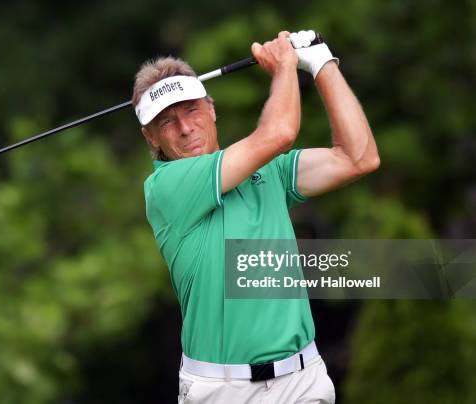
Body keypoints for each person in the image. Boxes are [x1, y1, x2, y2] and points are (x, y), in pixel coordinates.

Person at [132, 30, 379, 403]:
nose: (185, 128)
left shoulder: (268, 172)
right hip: (223, 390)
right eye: (167, 122)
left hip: (302, 381)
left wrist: (322, 63)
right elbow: (279, 133)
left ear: (211, 109)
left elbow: (359, 158)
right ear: (151, 137)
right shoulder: (166, 188)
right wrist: (284, 67)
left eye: (192, 110)